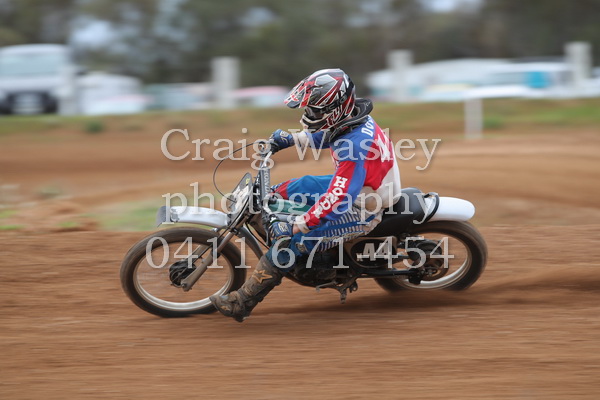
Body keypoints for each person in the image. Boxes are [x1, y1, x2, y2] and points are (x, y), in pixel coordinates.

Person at [210, 68, 401, 322]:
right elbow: (328, 136)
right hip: (363, 186)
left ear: (335, 108)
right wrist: (292, 139)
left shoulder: (354, 145)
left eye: (315, 110)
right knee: (296, 186)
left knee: (291, 243)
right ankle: (275, 221)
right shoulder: (351, 120)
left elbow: (338, 198)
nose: (309, 114)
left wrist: (298, 224)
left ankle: (242, 302)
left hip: (364, 206)